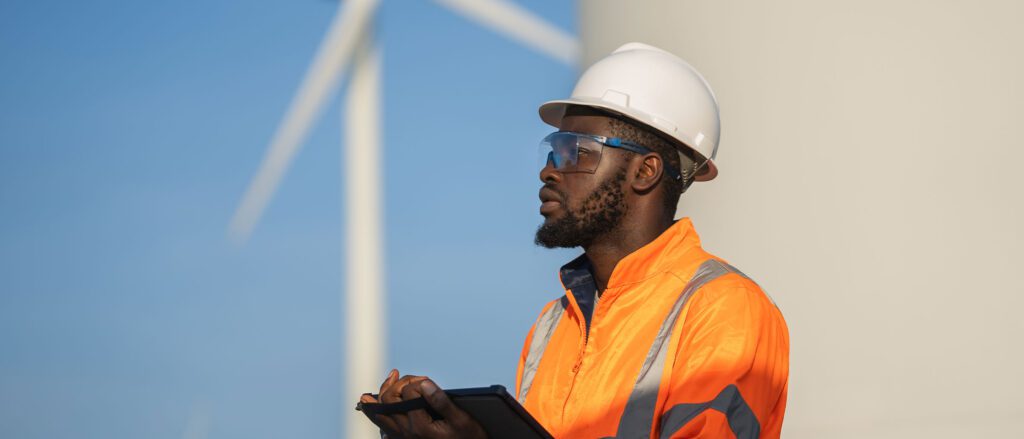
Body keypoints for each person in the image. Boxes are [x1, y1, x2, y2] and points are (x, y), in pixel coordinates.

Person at [359, 43, 789, 439]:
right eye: (552, 151)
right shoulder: (553, 323)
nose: (548, 170)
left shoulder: (724, 307)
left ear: (646, 171)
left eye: (575, 150)